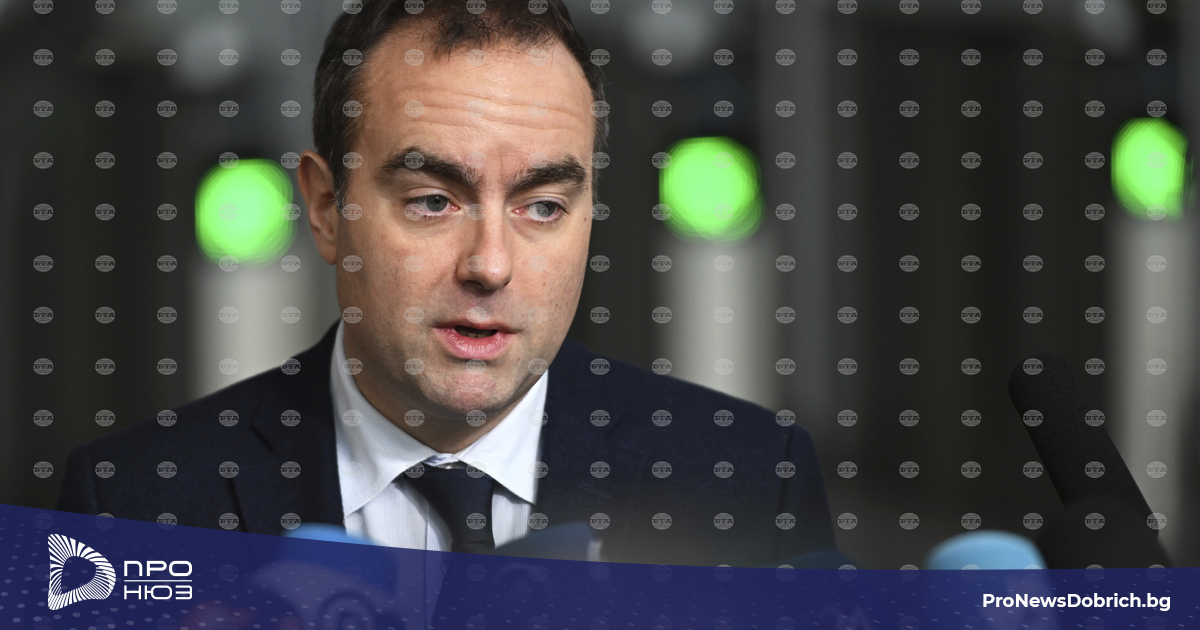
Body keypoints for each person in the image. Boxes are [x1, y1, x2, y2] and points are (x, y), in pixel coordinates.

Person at [57, 0, 834, 567]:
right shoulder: (131, 506)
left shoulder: (750, 483)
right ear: (325, 208)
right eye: (433, 201)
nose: (490, 265)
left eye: (542, 206)